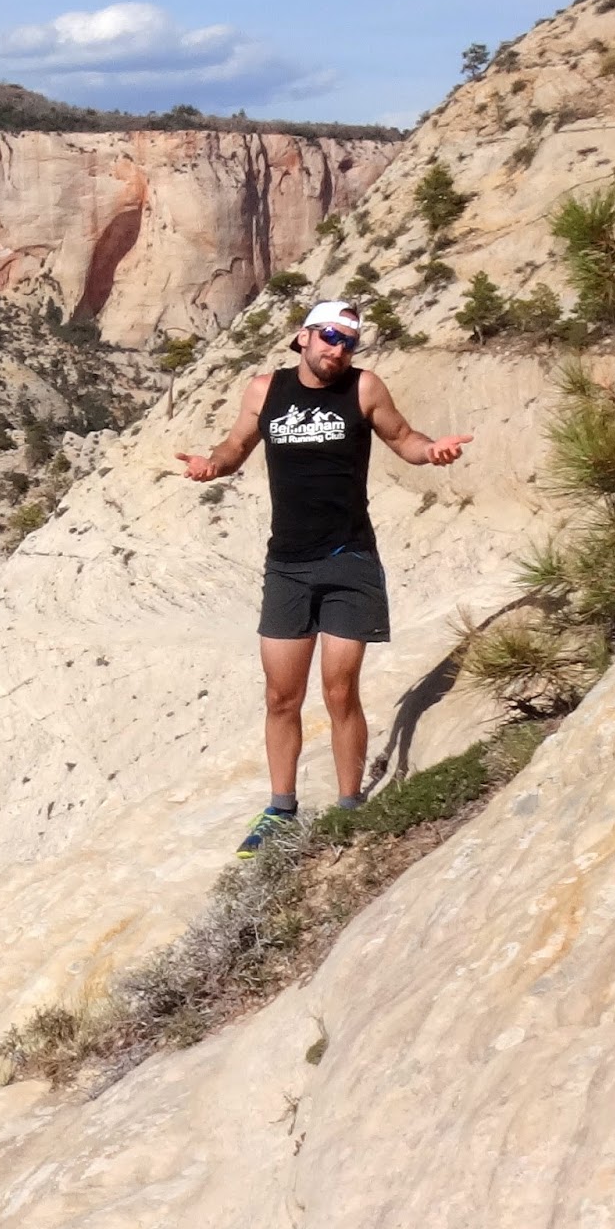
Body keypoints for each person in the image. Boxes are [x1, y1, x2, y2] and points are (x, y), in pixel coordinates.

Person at [175, 301, 472, 857]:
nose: (338, 349)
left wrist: (432, 452)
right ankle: (281, 808)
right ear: (304, 336)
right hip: (286, 562)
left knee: (340, 691)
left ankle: (349, 806)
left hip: (349, 558)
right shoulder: (265, 390)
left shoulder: (364, 388)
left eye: (349, 342)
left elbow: (404, 439)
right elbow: (235, 447)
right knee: (281, 696)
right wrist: (210, 464)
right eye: (331, 336)